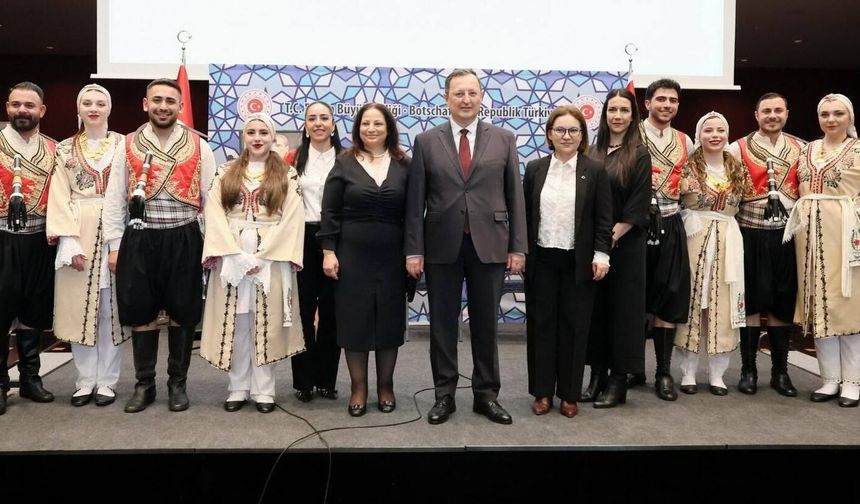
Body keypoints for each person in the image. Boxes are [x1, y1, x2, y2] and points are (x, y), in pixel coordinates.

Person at [405, 68, 527, 425]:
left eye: (472, 92)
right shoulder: (427, 141)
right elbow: (415, 201)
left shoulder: (504, 139)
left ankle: (486, 395)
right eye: (458, 93)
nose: (466, 99)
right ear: (446, 98)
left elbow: (514, 196)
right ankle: (444, 395)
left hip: (490, 244)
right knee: (442, 324)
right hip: (441, 244)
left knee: (487, 325)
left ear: (481, 96)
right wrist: (414, 249)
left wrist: (517, 246)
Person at [102, 78, 216, 413]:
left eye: (170, 101)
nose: (163, 106)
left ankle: (177, 385)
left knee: (183, 311)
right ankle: (144, 384)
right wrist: (113, 245)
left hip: (185, 237)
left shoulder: (200, 146)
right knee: (141, 311)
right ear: (145, 104)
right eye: (157, 100)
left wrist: (211, 245)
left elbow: (210, 198)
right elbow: (114, 199)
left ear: (180, 106)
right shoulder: (126, 145)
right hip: (140, 236)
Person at [200, 113, 305, 413]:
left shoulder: (288, 174)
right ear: (243, 137)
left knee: (266, 322)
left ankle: (264, 390)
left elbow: (292, 219)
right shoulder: (225, 171)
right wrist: (233, 255)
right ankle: (237, 387)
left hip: (269, 258)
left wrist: (263, 255)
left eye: (263, 132)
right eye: (251, 132)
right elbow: (215, 213)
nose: (257, 138)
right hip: (232, 256)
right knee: (238, 322)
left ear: (272, 137)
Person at [319, 103, 410, 416]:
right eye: (365, 124)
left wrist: (413, 253)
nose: (371, 129)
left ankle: (386, 386)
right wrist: (329, 251)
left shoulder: (404, 164)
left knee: (389, 322)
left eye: (378, 124)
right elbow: (329, 212)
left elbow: (413, 215)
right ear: (357, 128)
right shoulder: (344, 163)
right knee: (355, 323)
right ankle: (359, 388)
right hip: (351, 256)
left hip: (393, 258)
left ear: (389, 128)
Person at [523, 105, 612, 418]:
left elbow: (604, 218)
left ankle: (570, 394)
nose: (566, 135)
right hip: (542, 259)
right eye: (560, 130)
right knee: (541, 326)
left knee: (574, 328)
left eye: (574, 130)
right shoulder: (534, 169)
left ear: (582, 136)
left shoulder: (595, 170)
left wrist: (602, 254)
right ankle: (543, 392)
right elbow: (525, 216)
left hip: (579, 262)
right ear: (549, 134)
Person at [47, 84, 126, 407]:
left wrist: (120, 242)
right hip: (78, 229)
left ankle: (107, 380)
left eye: (100, 103)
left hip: (115, 229)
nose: (94, 108)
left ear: (109, 108)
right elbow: (58, 195)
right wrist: (68, 240)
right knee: (79, 307)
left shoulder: (124, 145)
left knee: (111, 309)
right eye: (87, 103)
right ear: (78, 109)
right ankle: (84, 379)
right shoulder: (64, 149)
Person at [783, 93, 860, 407]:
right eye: (825, 114)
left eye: (838, 113)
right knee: (817, 304)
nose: (831, 119)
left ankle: (852, 381)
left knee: (847, 303)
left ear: (849, 117)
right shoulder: (808, 149)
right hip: (809, 237)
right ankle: (829, 378)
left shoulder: (857, 150)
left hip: (844, 231)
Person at [727, 92, 804, 397]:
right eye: (766, 111)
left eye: (778, 111)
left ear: (786, 113)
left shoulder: (802, 147)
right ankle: (748, 370)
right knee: (751, 300)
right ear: (756, 115)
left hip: (787, 234)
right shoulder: (737, 147)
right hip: (749, 231)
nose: (772, 115)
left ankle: (780, 372)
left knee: (782, 301)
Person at [583, 89, 651, 408]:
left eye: (625, 110)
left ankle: (618, 380)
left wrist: (610, 237)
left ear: (633, 115)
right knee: (595, 312)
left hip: (625, 247)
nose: (618, 116)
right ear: (605, 114)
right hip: (595, 247)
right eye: (613, 109)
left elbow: (638, 206)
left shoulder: (639, 154)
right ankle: (596, 375)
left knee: (622, 314)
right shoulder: (592, 152)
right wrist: (596, 242)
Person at [675, 111, 749, 396]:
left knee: (723, 303)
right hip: (695, 235)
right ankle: (688, 372)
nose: (714, 135)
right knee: (694, 300)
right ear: (699, 134)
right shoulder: (688, 166)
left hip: (728, 237)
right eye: (708, 130)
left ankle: (718, 373)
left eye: (720, 130)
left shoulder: (736, 167)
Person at [0, 82, 57, 415]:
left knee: (34, 312)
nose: (23, 110)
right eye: (17, 105)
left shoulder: (54, 150)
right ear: (8, 107)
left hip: (39, 238)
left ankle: (31, 379)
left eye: (29, 106)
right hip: (2, 238)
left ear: (42, 111)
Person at [638, 78, 695, 401]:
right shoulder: (633, 135)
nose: (667, 105)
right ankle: (632, 368)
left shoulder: (686, 141)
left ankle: (663, 372)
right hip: (636, 223)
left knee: (669, 294)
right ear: (648, 103)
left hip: (672, 222)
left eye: (673, 100)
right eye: (661, 99)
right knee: (633, 296)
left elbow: (692, 182)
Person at [287, 102, 343, 403]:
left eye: (324, 118)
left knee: (333, 314)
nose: (318, 123)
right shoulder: (293, 159)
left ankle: (327, 381)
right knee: (304, 312)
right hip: (302, 238)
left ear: (333, 124)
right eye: (312, 118)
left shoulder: (348, 159)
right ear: (305, 125)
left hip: (337, 239)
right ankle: (304, 382)